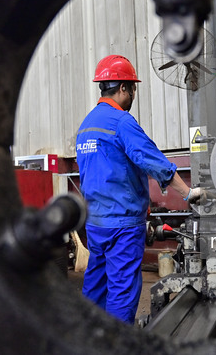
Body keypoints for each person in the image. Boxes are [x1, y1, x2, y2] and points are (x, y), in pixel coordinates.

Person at [76, 55, 204, 324]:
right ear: (123, 87)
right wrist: (188, 193)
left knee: (96, 287)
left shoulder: (86, 126)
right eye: (133, 88)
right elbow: (154, 161)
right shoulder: (121, 122)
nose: (133, 94)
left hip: (95, 224)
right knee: (122, 291)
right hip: (122, 224)